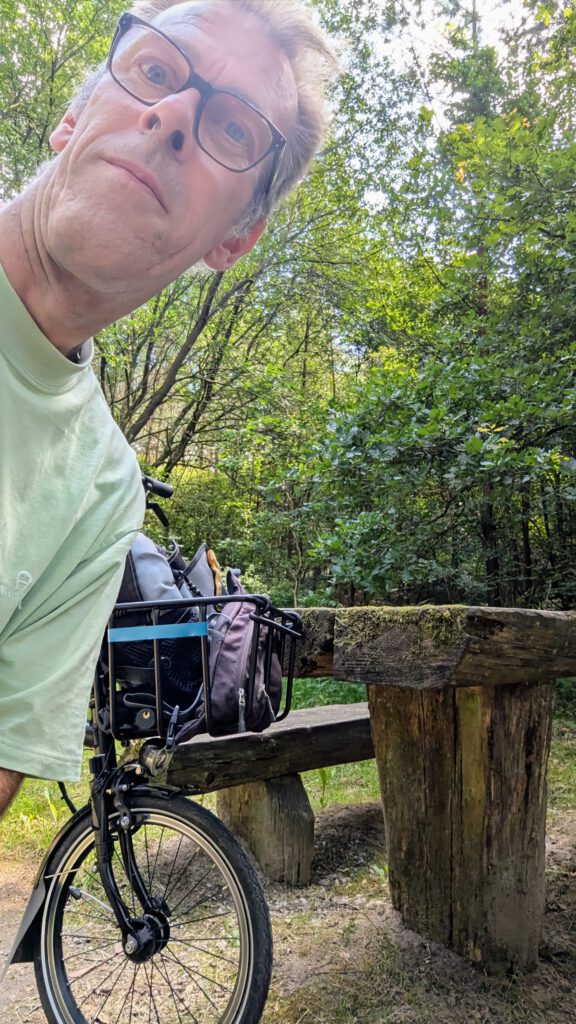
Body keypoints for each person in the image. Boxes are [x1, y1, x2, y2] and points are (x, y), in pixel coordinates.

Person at [0, 0, 337, 814]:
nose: (174, 112)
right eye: (156, 69)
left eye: (233, 129)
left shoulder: (102, 493)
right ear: (74, 115)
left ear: (233, 241)